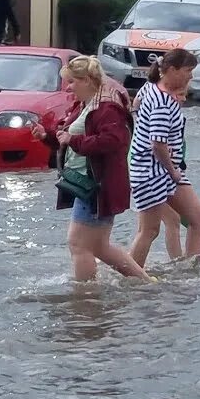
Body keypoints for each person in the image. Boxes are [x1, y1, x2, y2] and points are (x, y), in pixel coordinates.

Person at [33, 56, 150, 282]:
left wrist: (73, 140)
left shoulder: (107, 108)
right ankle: (145, 283)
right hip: (89, 183)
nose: (68, 87)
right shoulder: (86, 104)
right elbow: (68, 139)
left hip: (97, 185)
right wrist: (46, 137)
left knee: (79, 245)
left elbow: (113, 141)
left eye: (72, 82)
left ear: (87, 80)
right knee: (99, 246)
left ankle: (86, 298)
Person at [128, 49, 200, 267]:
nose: (190, 76)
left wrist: (138, 124)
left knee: (198, 216)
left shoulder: (149, 88)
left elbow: (135, 106)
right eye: (188, 71)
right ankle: (131, 277)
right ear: (171, 70)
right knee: (149, 230)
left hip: (160, 170)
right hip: (151, 172)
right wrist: (173, 170)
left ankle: (189, 270)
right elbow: (157, 143)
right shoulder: (163, 102)